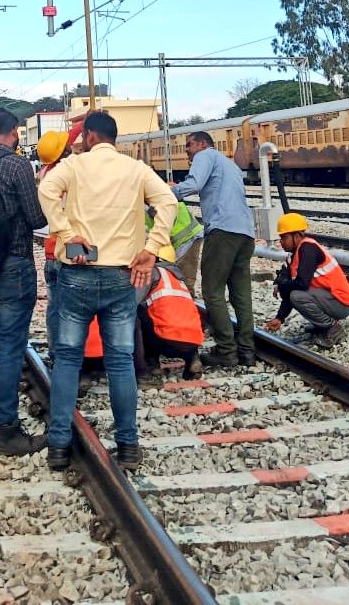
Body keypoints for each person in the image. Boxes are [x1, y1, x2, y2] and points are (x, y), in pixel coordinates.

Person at [39, 111, 176, 472]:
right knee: (120, 362)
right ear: (113, 138)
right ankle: (128, 446)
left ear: (89, 136)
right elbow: (169, 203)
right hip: (121, 275)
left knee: (68, 359)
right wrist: (152, 248)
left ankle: (57, 446)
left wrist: (67, 235)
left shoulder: (75, 165)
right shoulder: (136, 169)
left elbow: (46, 189)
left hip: (78, 272)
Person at [0, 108, 48, 455]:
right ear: (14, 133)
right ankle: (6, 430)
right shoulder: (17, 165)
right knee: (12, 346)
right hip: (14, 262)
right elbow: (34, 218)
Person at [171, 131, 256, 369]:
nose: (187, 150)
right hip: (245, 232)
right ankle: (247, 350)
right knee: (241, 292)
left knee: (212, 290)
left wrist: (168, 191)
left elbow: (195, 183)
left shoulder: (205, 156)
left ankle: (226, 350)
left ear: (201, 143)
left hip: (222, 231)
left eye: (189, 145)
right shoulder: (230, 166)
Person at [265, 213, 349, 348]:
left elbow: (301, 285)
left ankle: (333, 329)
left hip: (341, 303)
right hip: (330, 300)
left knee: (297, 296)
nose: (281, 242)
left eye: (284, 237)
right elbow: (291, 289)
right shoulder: (292, 256)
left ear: (296, 236)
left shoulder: (308, 248)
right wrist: (279, 318)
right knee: (294, 294)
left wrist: (284, 284)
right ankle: (322, 326)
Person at [36, 125, 84, 353]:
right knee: (74, 305)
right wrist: (87, 122)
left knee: (55, 305)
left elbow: (65, 142)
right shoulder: (68, 174)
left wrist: (82, 123)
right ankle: (74, 351)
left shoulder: (45, 174)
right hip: (69, 249)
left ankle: (56, 349)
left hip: (50, 249)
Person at [137, 245, 204, 379]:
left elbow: (134, 302)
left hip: (166, 341)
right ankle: (193, 360)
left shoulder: (152, 274)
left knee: (140, 313)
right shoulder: (179, 279)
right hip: (193, 341)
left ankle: (152, 363)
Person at [145, 201, 204, 298]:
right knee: (177, 276)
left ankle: (187, 304)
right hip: (177, 241)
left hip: (189, 237)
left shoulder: (163, 196)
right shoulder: (148, 205)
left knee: (185, 278)